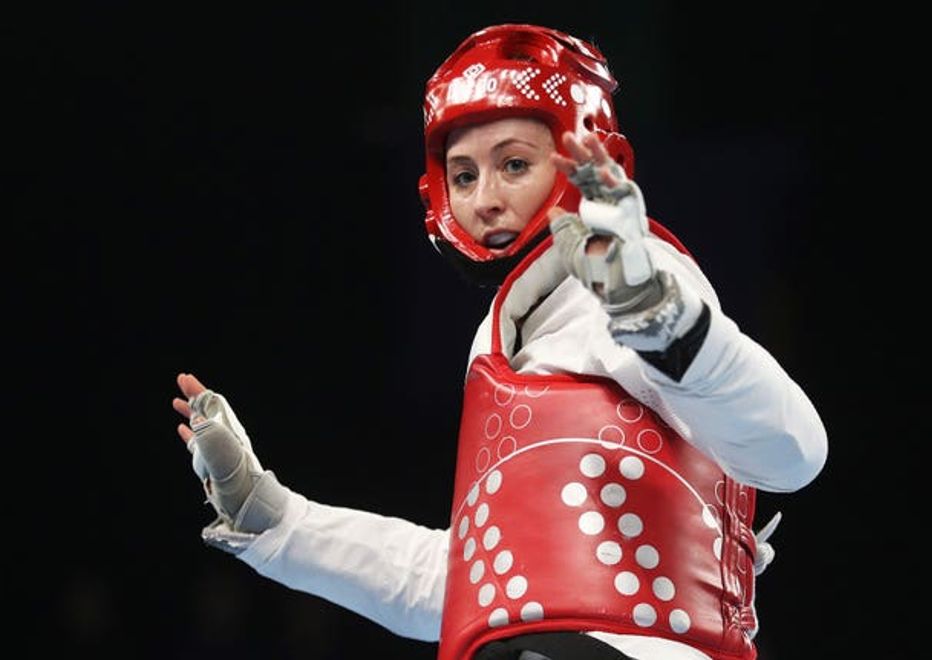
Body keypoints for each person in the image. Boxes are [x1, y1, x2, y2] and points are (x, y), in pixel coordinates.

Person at [171, 23, 827, 660]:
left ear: (582, 159)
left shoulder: (635, 281)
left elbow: (790, 452)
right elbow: (470, 589)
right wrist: (277, 521)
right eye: (463, 175)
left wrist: (664, 321)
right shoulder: (506, 339)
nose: (484, 199)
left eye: (514, 164)